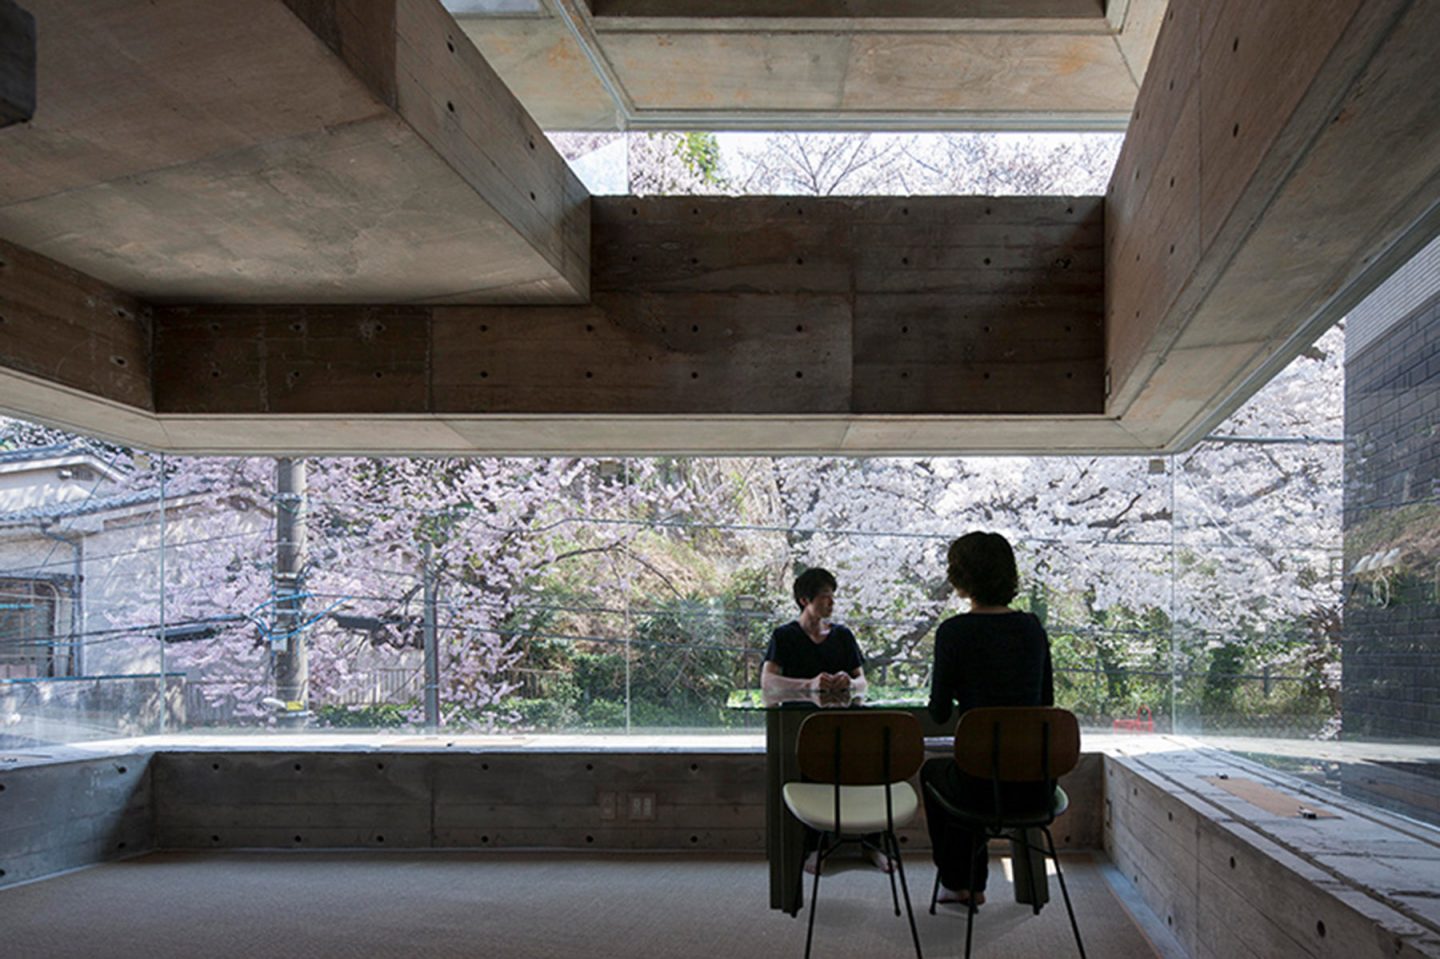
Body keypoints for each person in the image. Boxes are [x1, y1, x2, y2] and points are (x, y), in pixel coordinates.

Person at [921, 531, 1054, 907]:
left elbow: (940, 712)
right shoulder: (1032, 628)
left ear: (961, 577)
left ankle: (960, 882)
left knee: (938, 773)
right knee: (975, 769)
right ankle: (972, 884)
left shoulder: (954, 632)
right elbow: (1045, 702)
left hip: (980, 785)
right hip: (1037, 784)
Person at [761, 567, 885, 872]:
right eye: (824, 597)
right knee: (811, 772)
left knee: (872, 768)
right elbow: (767, 683)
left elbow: (863, 683)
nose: (831, 603)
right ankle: (813, 848)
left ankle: (874, 845)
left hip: (848, 727)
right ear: (805, 600)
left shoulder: (842, 635)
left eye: (833, 597)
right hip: (802, 730)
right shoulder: (785, 635)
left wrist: (847, 683)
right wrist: (810, 685)